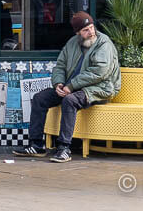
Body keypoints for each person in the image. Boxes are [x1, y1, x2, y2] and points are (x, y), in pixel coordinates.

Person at [13, 12, 121, 163]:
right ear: (78, 33)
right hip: (72, 87)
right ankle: (36, 145)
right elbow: (60, 66)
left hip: (99, 88)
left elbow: (100, 72)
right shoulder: (72, 43)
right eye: (85, 30)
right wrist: (58, 84)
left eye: (91, 27)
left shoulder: (104, 44)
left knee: (69, 100)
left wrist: (71, 86)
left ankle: (64, 148)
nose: (91, 32)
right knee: (39, 98)